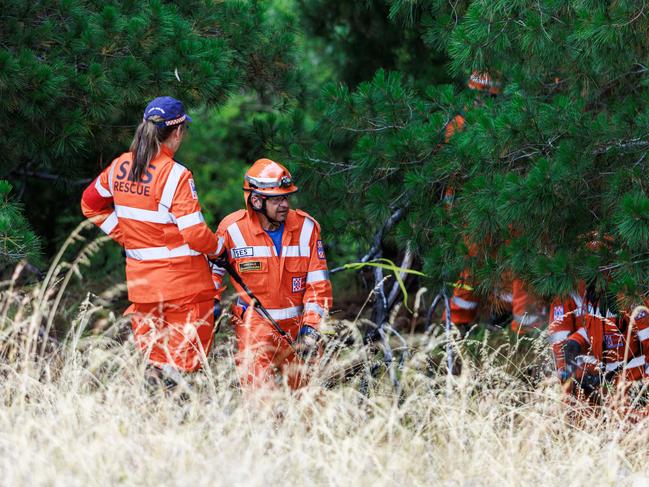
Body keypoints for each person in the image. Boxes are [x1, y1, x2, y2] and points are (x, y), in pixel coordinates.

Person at [81, 96, 221, 381]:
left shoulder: (120, 166)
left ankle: (155, 417)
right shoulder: (177, 175)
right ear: (178, 132)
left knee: (155, 364)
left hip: (143, 287)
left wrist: (126, 236)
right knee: (184, 366)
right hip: (185, 288)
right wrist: (219, 249)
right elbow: (195, 234)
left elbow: (89, 204)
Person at [212, 158, 333, 390]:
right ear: (256, 201)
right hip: (254, 327)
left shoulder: (307, 228)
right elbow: (212, 273)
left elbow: (318, 284)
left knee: (307, 401)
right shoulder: (232, 229)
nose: (284, 205)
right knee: (260, 403)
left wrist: (311, 328)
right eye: (277, 199)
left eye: (286, 197)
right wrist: (212, 303)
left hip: (298, 328)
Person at [445, 72, 545, 334]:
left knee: (512, 261)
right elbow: (451, 175)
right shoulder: (461, 125)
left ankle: (513, 326)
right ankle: (462, 323)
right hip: (475, 207)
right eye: (479, 96)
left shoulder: (509, 125)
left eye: (487, 96)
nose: (482, 102)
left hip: (505, 204)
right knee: (472, 264)